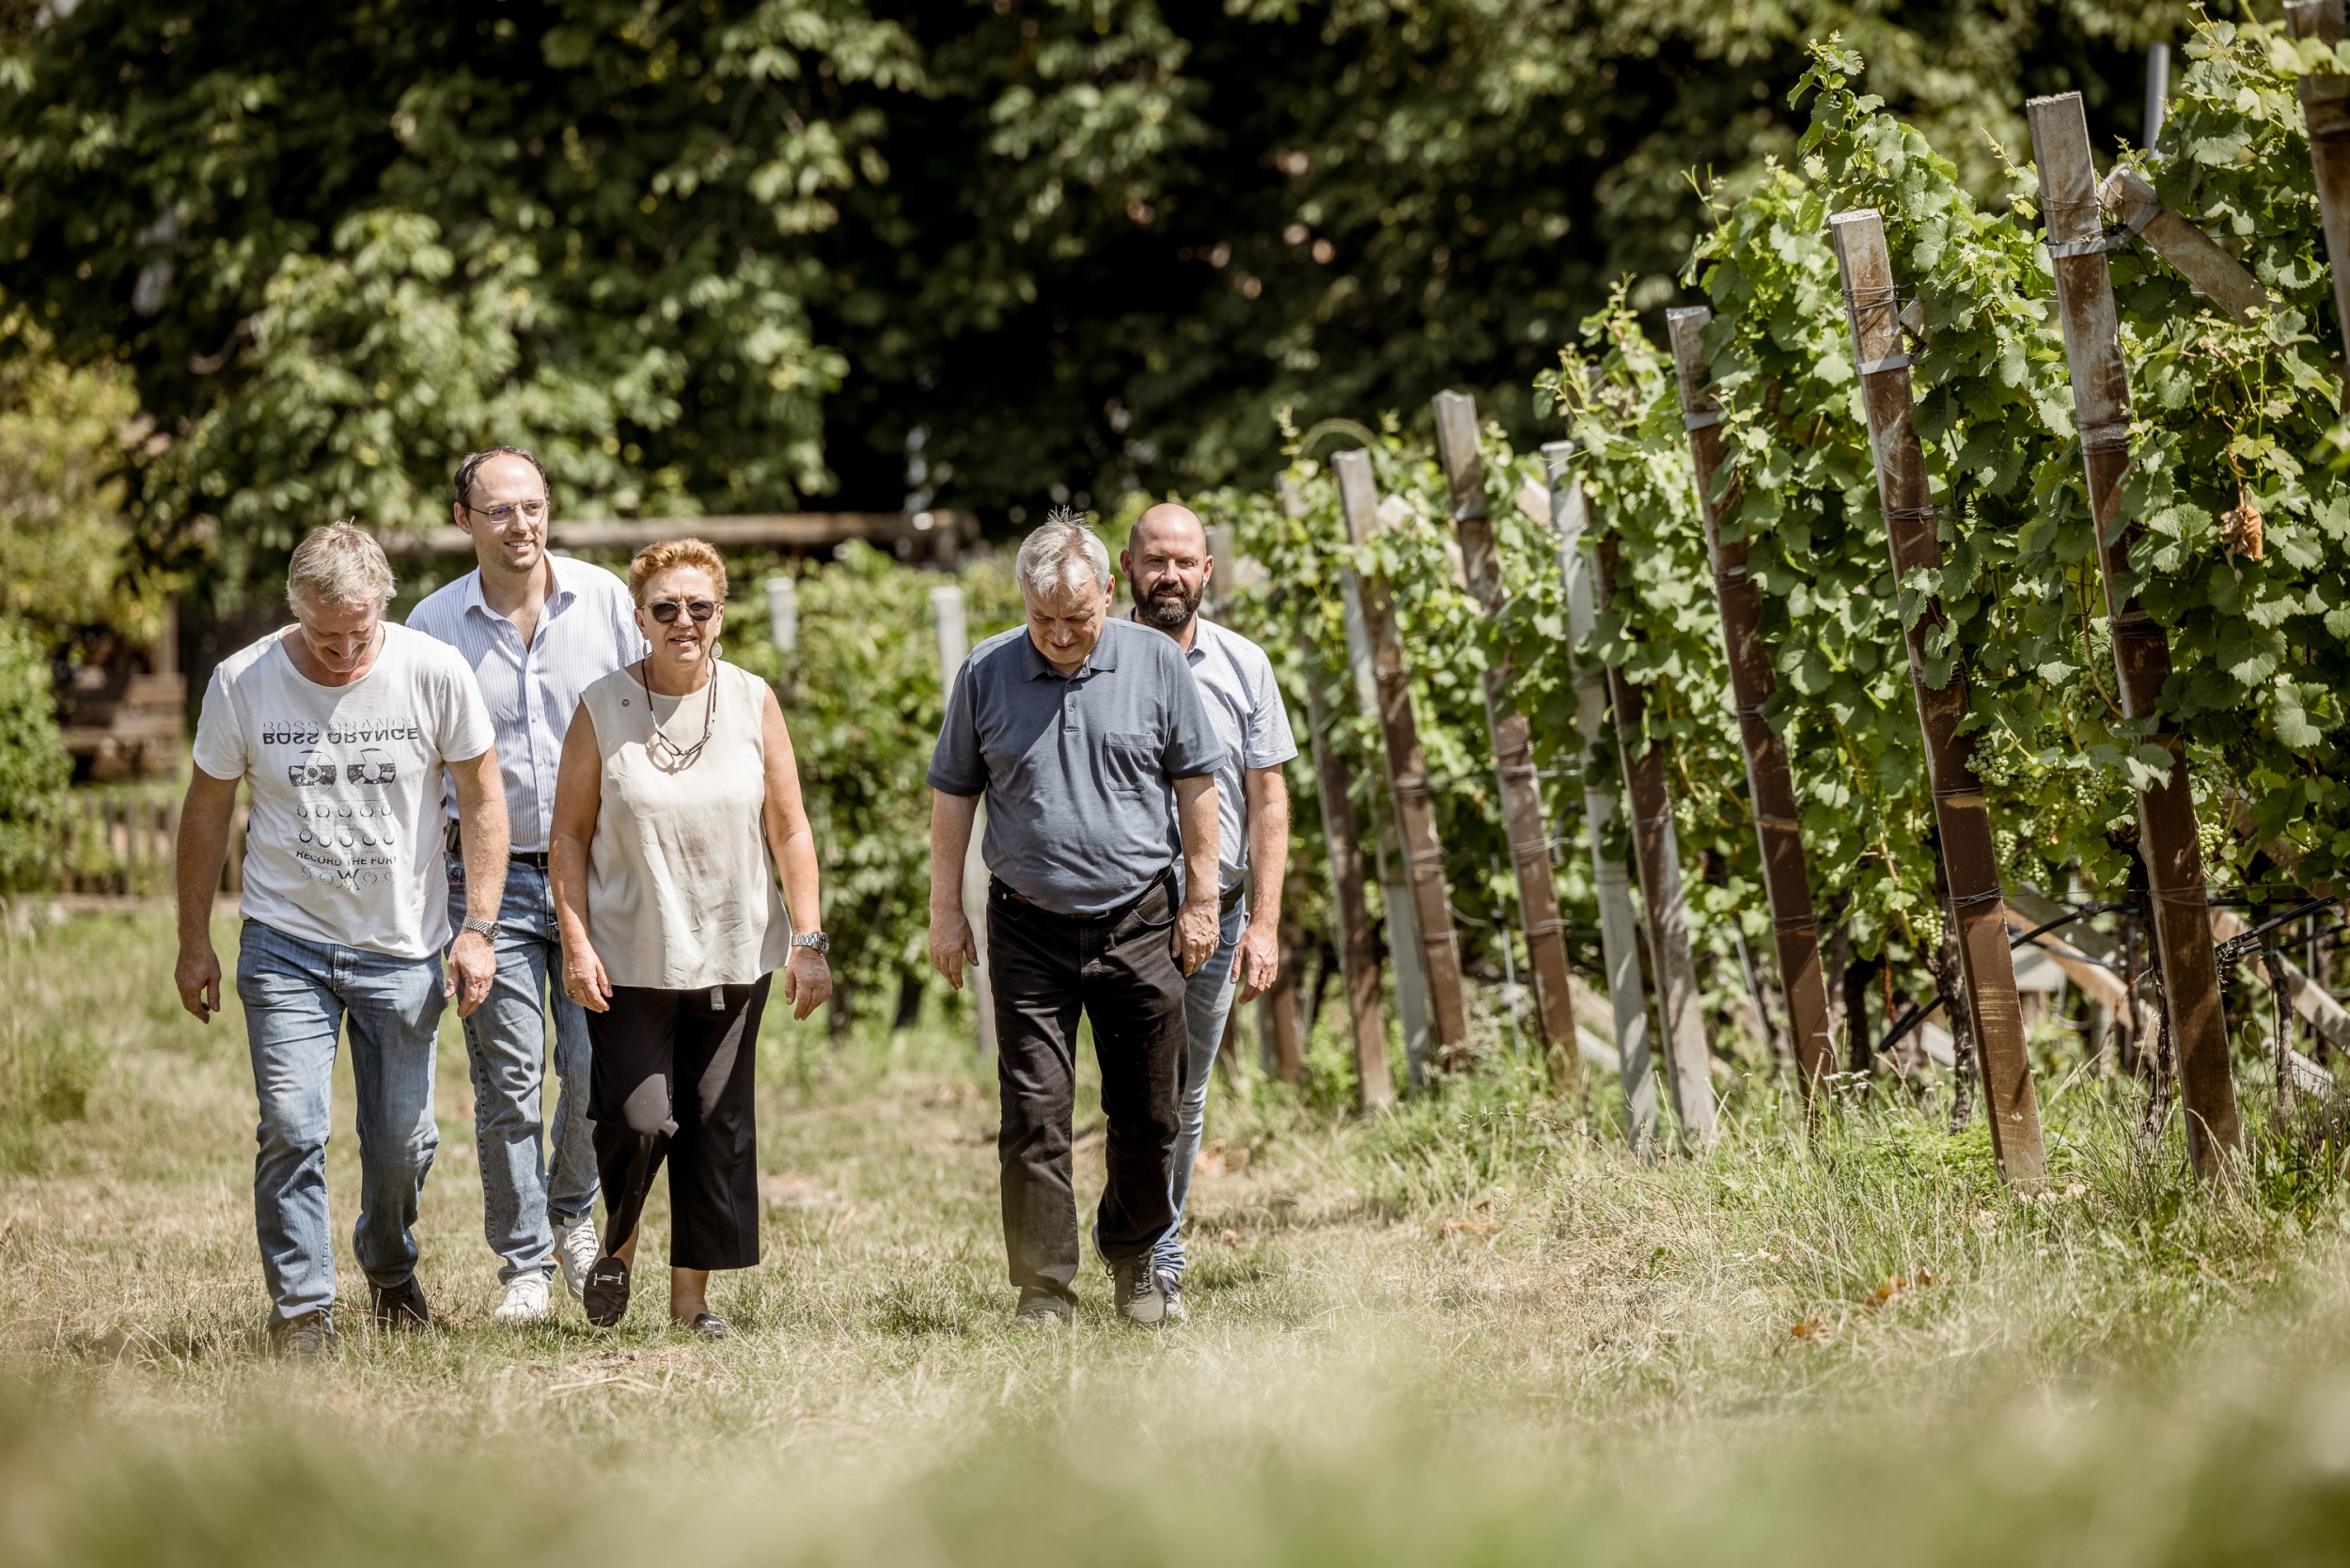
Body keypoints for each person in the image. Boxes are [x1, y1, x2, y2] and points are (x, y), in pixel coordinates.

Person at [173, 523, 509, 1363]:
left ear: (381, 608)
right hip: (286, 940)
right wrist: (194, 939)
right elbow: (207, 809)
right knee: (292, 1126)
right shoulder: (243, 682)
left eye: (361, 633)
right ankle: (302, 1312)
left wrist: (478, 928)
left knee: (403, 1143)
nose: (345, 652)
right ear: (296, 611)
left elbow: (484, 797)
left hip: (403, 945)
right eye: (327, 636)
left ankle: (389, 1266)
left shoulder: (432, 671)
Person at [926, 510, 1224, 1330]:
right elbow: (955, 795)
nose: (1060, 635)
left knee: (1150, 1112)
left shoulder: (1158, 664)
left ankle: (1134, 1261)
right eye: (1043, 619)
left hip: (1139, 920)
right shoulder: (986, 672)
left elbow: (1198, 786)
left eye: (1078, 619)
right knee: (1032, 1114)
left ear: (1106, 592)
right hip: (1028, 925)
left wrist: (1202, 902)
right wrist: (945, 911)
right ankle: (1044, 1288)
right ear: (1022, 600)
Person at [549, 538, 831, 1339]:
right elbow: (567, 837)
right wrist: (575, 940)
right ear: (639, 618)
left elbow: (790, 826)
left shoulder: (752, 700)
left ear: (720, 614)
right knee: (636, 1120)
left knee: (715, 1128)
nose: (683, 621)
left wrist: (808, 939)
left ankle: (691, 1304)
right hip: (630, 956)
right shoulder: (601, 706)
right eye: (665, 608)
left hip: (735, 950)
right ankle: (618, 1253)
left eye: (698, 607)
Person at [406, 447, 644, 1323]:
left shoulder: (608, 602)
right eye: (500, 511)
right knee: (508, 1079)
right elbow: (423, 760)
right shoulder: (432, 626)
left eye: (534, 506)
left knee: (591, 1070)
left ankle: (573, 1215)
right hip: (490, 882)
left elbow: (647, 717)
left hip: (596, 876)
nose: (522, 525)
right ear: (463, 520)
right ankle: (524, 1266)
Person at [1118, 503, 1294, 1322]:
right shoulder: (1098, 657)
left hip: (1215, 914)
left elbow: (1268, 799)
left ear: (1207, 573)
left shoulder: (1245, 665)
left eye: (1185, 563)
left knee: (1183, 1095)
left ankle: (1160, 1251)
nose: (1170, 577)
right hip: (1120, 909)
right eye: (1156, 561)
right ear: (1128, 566)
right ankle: (1132, 1247)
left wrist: (1263, 921)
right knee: (1131, 1092)